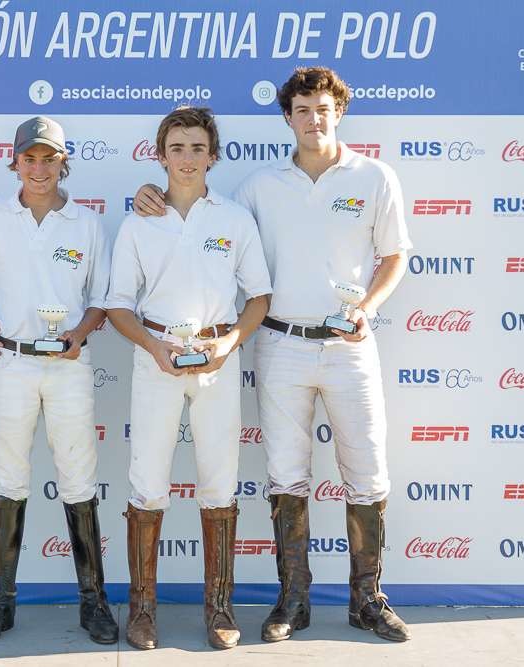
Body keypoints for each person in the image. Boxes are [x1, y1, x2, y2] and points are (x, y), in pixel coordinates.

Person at [132, 67, 412, 643]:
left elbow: (394, 256)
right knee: (287, 474)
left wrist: (369, 308)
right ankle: (294, 599)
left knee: (368, 471)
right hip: (280, 343)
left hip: (350, 345)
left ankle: (367, 598)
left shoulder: (376, 177)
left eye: (324, 109)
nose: (315, 119)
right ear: (288, 118)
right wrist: (148, 195)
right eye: (303, 109)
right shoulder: (257, 188)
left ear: (340, 113)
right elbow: (204, 224)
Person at [107, 107, 271, 650]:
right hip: (156, 359)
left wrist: (227, 344)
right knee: (147, 483)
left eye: (197, 148)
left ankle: (220, 608)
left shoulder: (234, 218)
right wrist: (153, 346)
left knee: (219, 483)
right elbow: (119, 307)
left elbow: (259, 297)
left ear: (213, 156)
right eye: (176, 148)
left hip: (217, 360)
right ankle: (143, 611)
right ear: (160, 155)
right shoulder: (139, 221)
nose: (187, 159)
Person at [0, 116, 118, 645]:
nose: (40, 168)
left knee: (78, 477)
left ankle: (93, 604)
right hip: (13, 362)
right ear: (15, 162)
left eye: (50, 159)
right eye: (31, 158)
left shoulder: (87, 223)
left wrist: (80, 333)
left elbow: (103, 297)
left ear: (63, 162)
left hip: (69, 364)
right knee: (9, 477)